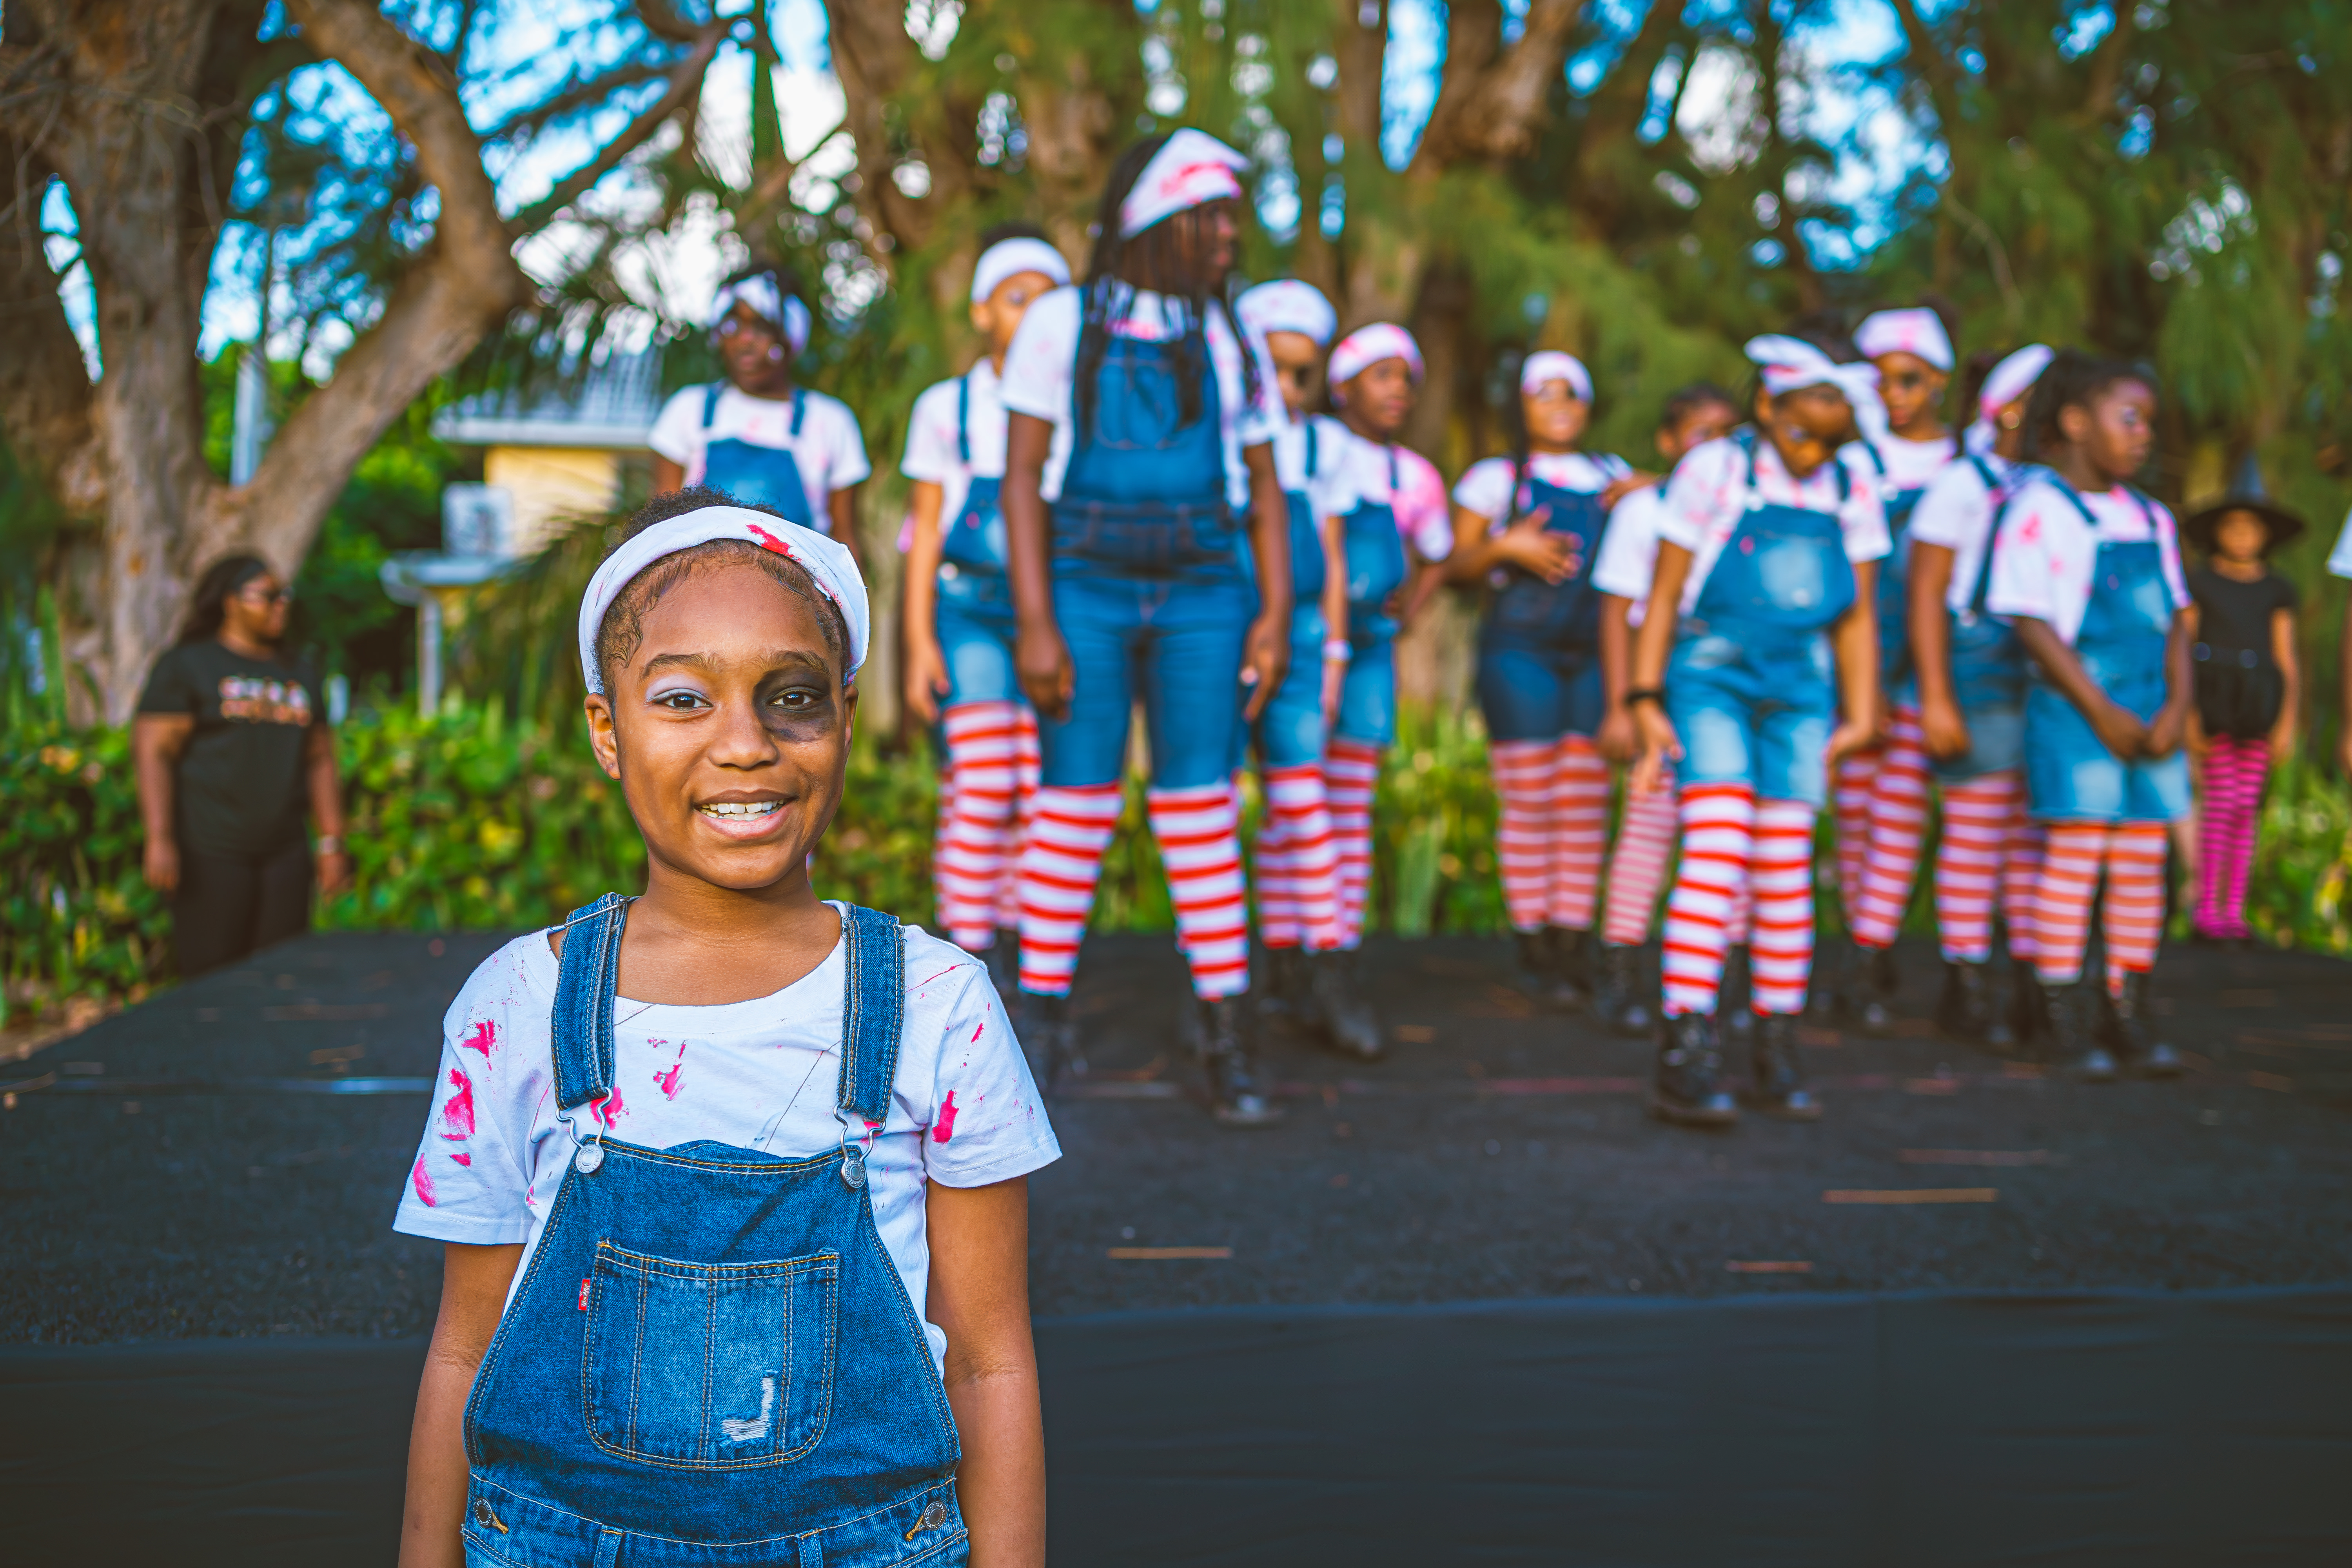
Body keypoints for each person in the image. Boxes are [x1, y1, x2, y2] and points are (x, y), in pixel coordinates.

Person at [393, 491, 1056, 1568]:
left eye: (790, 697)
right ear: (608, 729)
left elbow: (990, 1365)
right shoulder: (518, 1003)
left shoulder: (941, 1005)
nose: (744, 744)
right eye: (685, 698)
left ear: (843, 716)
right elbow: (466, 1351)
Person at [998, 130, 1293, 1124]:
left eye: (1229, 216)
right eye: (1209, 217)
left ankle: (1225, 1024)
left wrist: (1276, 616)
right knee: (1074, 797)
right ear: (1154, 222)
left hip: (1206, 587)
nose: (1227, 235)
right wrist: (1035, 621)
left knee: (1200, 801)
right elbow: (1021, 484)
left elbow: (1264, 489)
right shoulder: (1060, 323)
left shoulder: (1231, 331)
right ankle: (1041, 1012)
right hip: (1083, 580)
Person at [1628, 333, 1887, 1127]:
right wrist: (1643, 696)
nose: (1834, 413)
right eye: (1820, 398)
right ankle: (1688, 1043)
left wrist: (1864, 706)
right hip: (1710, 675)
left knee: (1784, 865)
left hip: (1801, 690)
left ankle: (1777, 1039)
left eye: (1843, 401)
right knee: (1715, 843)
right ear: (1773, 405)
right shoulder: (1717, 468)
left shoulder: (1852, 484)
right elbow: (1665, 589)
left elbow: (1856, 612)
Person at [1984, 350, 2189, 1081]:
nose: (2143, 437)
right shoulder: (2040, 509)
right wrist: (2099, 710)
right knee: (2074, 859)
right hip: (2077, 711)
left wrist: (2176, 707)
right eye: (2128, 419)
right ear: (2075, 423)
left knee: (2141, 861)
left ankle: (2125, 1002)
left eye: (2149, 425)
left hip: (2151, 712)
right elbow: (2032, 622)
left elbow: (2176, 623)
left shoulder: (2152, 518)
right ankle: (2060, 1011)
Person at [901, 225, 1072, 995]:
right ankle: (964, 960)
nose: (1032, 314)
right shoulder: (949, 406)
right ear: (981, 313)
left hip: (1056, 615)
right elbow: (926, 532)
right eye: (1015, 297)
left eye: (1048, 301)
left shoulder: (1077, 409)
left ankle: (1025, 957)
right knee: (984, 781)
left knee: (1043, 788)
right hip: (968, 614)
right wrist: (916, 643)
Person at [1448, 352, 1644, 1011]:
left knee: (1585, 797)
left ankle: (1572, 934)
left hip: (1593, 650)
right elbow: (1455, 563)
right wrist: (1506, 548)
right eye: (1545, 393)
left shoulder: (1613, 476)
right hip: (1520, 647)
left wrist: (1646, 486)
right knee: (1530, 796)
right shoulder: (1496, 479)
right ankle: (1532, 937)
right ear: (1522, 404)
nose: (1560, 405)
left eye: (1572, 394)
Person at [1231, 278, 1378, 1057]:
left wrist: (1336, 652)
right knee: (1217, 804)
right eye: (1273, 371)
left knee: (1304, 801)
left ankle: (1325, 965)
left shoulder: (1329, 446)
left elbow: (1332, 553)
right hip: (1229, 625)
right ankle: (1227, 983)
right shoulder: (1221, 435)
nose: (1286, 390)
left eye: (1300, 374)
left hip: (1309, 633)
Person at [1905, 344, 2055, 1048]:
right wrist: (1937, 695)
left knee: (2032, 833)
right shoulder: (1961, 485)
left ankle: (2032, 979)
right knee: (1976, 829)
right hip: (1976, 664)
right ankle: (1965, 979)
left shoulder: (2052, 487)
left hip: (2042, 667)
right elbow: (1927, 591)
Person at [1587, 381, 1742, 1036]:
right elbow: (1619, 611)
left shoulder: (1744, 504)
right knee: (1649, 827)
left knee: (1730, 835)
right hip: (1661, 681)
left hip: (1728, 684)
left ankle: (1724, 977)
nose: (1712, 450)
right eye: (1699, 436)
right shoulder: (1643, 509)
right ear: (1669, 441)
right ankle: (1622, 967)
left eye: (1725, 436)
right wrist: (1627, 702)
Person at [1833, 305, 1960, 1031]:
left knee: (1901, 811)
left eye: (1910, 380)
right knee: (1853, 813)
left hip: (1930, 665)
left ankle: (1868, 949)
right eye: (1882, 380)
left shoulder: (1962, 463)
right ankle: (1862, 942)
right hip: (1859, 657)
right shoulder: (1855, 462)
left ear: (1938, 381)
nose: (1896, 394)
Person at [134, 555, 349, 978]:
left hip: (284, 853)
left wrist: (331, 843)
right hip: (210, 850)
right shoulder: (189, 666)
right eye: (268, 597)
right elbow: (153, 752)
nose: (280, 606)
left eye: (284, 596)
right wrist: (159, 838)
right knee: (212, 980)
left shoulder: (298, 672)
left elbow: (320, 759)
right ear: (230, 602)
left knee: (280, 977)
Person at [1323, 323, 1453, 983]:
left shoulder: (1418, 476)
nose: (1398, 389)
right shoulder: (1317, 451)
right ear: (1342, 388)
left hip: (1371, 652)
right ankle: (1293, 951)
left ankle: (1338, 953)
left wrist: (1413, 602)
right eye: (1382, 375)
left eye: (1406, 377)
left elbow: (1439, 550)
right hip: (1308, 648)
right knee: (1296, 801)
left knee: (1351, 800)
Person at [650, 263, 871, 569]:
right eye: (733, 326)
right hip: (697, 590)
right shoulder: (690, 410)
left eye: (762, 328)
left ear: (791, 337)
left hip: (800, 599)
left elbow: (845, 537)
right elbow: (662, 530)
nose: (745, 340)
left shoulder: (831, 422)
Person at [2181, 463, 2305, 946]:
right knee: (2219, 803)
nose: (2241, 535)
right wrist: (2188, 711)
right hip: (2213, 703)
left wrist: (2288, 720)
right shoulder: (2200, 582)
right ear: (2216, 531)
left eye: (2251, 527)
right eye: (2232, 525)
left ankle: (2234, 910)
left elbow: (2287, 658)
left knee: (2245, 807)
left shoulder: (2277, 589)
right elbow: (2185, 647)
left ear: (2266, 536)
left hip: (2258, 705)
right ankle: (2206, 908)